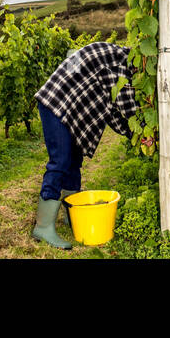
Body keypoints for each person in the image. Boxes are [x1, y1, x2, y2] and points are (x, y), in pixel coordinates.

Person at [30, 42, 139, 249]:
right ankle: (43, 227)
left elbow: (112, 112)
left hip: (70, 108)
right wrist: (140, 131)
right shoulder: (120, 67)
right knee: (60, 162)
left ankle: (72, 214)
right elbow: (127, 108)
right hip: (56, 103)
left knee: (73, 162)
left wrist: (131, 131)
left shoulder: (118, 58)